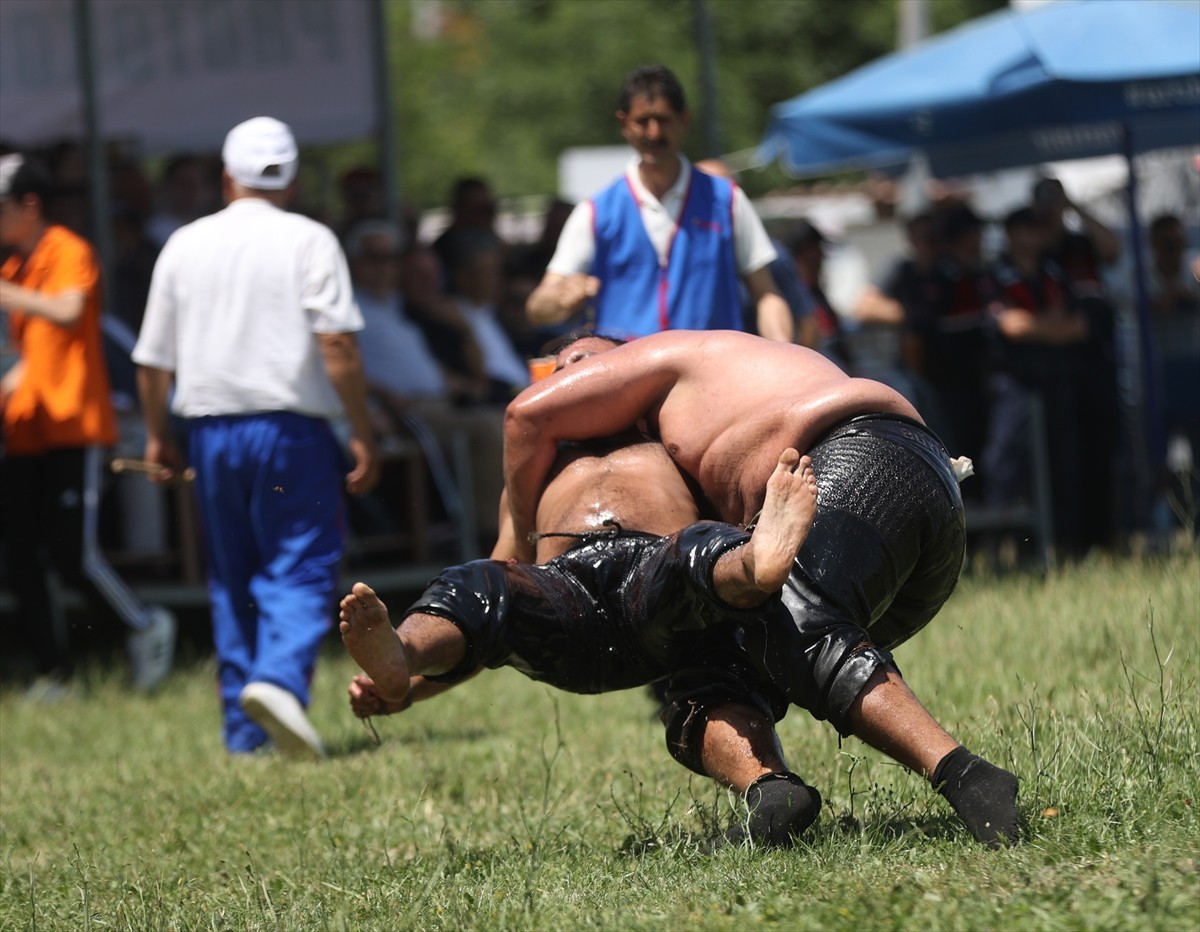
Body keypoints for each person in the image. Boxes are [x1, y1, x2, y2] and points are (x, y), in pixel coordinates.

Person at [503, 330, 1020, 849]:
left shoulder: (663, 357)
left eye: (580, 363)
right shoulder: (674, 446)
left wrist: (526, 545)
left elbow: (526, 417)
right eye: (557, 370)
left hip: (864, 455)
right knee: (705, 676)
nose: (569, 381)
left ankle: (967, 776)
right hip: (903, 548)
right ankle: (773, 795)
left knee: (790, 621)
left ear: (622, 357)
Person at [342, 426, 825, 848]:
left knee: (696, 556)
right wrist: (408, 690)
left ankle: (772, 788)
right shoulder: (530, 470)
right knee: (480, 582)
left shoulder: (672, 441)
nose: (573, 368)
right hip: (565, 596)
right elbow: (495, 614)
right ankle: (404, 653)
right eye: (564, 364)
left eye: (588, 360)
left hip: (654, 579)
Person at [132, 117, 381, 759]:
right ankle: (277, 681)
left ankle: (246, 736)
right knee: (301, 561)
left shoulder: (184, 243)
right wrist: (361, 429)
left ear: (226, 178)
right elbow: (337, 344)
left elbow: (152, 363)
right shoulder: (310, 239)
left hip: (210, 430)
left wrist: (158, 437)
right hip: (291, 431)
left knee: (233, 574)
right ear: (292, 182)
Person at [0, 152, 176, 698]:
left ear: (30, 205)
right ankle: (53, 671)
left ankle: (144, 623)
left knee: (74, 555)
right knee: (22, 554)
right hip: (26, 430)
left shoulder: (68, 250)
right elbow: (29, 354)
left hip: (72, 426)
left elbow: (71, 311)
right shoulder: (14, 268)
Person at [525, 65, 792, 343]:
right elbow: (537, 308)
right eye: (643, 121)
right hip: (626, 368)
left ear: (684, 120)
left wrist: (783, 355)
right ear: (624, 123)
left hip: (711, 365)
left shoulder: (726, 200)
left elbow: (767, 295)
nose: (653, 133)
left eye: (663, 120)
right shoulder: (596, 212)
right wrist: (560, 299)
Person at [345, 219, 507, 547]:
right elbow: (335, 363)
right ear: (354, 262)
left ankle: (516, 525)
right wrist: (378, 392)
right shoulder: (347, 306)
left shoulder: (397, 307)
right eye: (374, 257)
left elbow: (419, 365)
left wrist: (454, 380)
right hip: (399, 411)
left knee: (512, 418)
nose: (384, 266)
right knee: (488, 429)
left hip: (439, 402)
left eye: (391, 258)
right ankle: (492, 536)